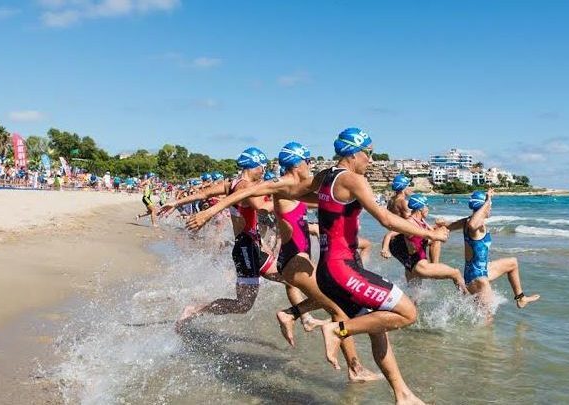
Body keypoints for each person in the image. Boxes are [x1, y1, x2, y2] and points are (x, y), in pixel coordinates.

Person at [186, 142, 381, 382]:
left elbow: (318, 201)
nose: (310, 165)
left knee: (332, 299)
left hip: (279, 256)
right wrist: (208, 213)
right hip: (267, 253)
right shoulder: (280, 187)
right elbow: (248, 196)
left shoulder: (297, 189)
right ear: (298, 163)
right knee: (337, 309)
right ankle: (354, 368)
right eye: (307, 161)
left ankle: (294, 314)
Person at [279, 128, 447, 404]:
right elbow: (387, 220)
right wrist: (432, 235)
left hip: (329, 269)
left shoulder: (325, 176)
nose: (370, 159)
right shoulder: (353, 180)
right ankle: (337, 329)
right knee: (408, 313)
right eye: (368, 153)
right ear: (354, 153)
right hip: (343, 268)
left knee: (376, 327)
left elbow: (295, 193)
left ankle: (402, 394)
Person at [173, 147, 282, 331]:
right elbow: (262, 207)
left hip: (252, 245)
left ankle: (302, 314)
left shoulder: (231, 183)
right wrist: (289, 199)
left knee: (285, 276)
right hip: (245, 247)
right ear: (253, 165)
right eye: (262, 167)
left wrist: (175, 202)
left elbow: (203, 194)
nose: (263, 171)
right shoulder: (245, 186)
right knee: (243, 305)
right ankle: (195, 310)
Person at [440, 190, 540, 321]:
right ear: (482, 207)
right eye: (489, 206)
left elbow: (449, 226)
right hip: (478, 279)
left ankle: (521, 298)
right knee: (488, 320)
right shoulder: (474, 225)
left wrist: (438, 224)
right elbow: (471, 225)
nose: (490, 208)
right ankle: (483, 341)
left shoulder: (468, 222)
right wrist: (488, 201)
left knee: (512, 263)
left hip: (480, 271)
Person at [382, 194, 465, 291]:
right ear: (420, 208)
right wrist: (385, 249)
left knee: (414, 300)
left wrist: (441, 226)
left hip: (412, 267)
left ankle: (435, 265)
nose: (428, 209)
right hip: (421, 266)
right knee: (456, 273)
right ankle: (467, 302)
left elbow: (433, 234)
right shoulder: (410, 222)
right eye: (427, 206)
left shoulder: (421, 221)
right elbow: (390, 234)